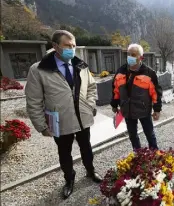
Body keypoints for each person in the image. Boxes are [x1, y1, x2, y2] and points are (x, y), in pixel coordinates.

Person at [25, 30, 102, 199]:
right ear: (55, 46)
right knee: (64, 152)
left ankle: (90, 170)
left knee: (86, 147)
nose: (71, 49)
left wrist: (89, 105)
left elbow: (91, 87)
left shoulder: (81, 65)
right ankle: (69, 179)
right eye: (67, 45)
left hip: (83, 117)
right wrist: (41, 126)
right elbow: (33, 101)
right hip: (59, 120)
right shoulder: (38, 70)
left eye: (73, 46)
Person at [111, 43, 162, 151]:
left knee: (149, 134)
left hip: (143, 109)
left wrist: (157, 110)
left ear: (141, 57)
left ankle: (154, 154)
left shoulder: (149, 73)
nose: (130, 57)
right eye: (128, 54)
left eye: (133, 54)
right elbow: (115, 90)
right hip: (127, 110)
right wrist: (114, 104)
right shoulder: (120, 71)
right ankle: (138, 155)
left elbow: (156, 93)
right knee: (132, 135)